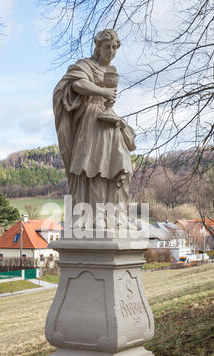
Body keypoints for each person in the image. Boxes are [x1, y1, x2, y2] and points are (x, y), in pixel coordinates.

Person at [53, 29, 136, 227]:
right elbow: (77, 84)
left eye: (115, 47)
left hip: (109, 120)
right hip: (92, 119)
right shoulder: (86, 65)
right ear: (97, 47)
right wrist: (103, 91)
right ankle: (94, 216)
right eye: (107, 47)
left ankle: (117, 215)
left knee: (122, 166)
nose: (111, 51)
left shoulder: (111, 71)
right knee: (96, 167)